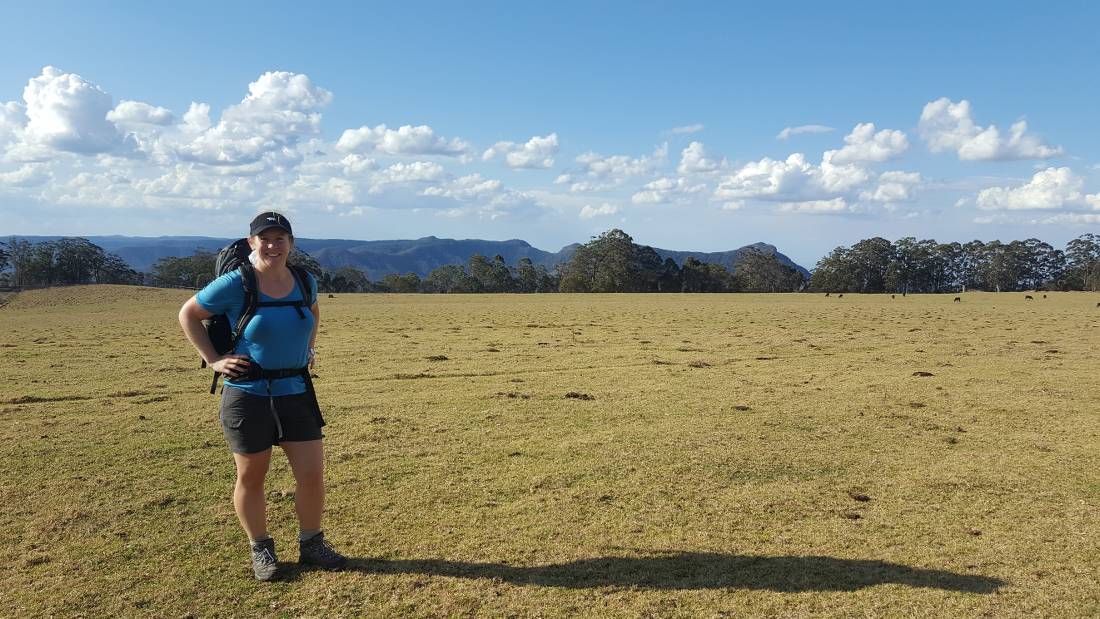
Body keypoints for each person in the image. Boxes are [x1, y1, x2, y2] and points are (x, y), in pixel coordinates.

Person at [178, 211, 346, 581]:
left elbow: (313, 312)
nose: (273, 245)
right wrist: (214, 360)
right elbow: (188, 313)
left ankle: (312, 544)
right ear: (252, 242)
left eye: (280, 238)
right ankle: (261, 548)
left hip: (296, 390)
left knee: (312, 474)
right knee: (253, 476)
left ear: (291, 243)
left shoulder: (304, 280)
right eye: (265, 238)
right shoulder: (237, 284)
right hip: (248, 394)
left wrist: (310, 349)